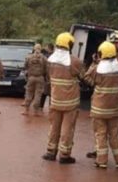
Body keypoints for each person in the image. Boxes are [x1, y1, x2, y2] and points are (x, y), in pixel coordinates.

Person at [87, 31, 118, 160]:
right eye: (112, 42)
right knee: (100, 128)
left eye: (117, 42)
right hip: (104, 100)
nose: (115, 45)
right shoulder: (104, 56)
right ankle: (99, 151)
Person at [42, 32, 84, 164]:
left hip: (55, 100)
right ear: (69, 45)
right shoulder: (74, 61)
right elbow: (82, 76)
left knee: (54, 126)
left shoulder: (50, 61)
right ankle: (64, 155)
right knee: (67, 128)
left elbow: (47, 77)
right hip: (70, 102)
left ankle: (50, 152)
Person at [84, 41, 118, 168]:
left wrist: (94, 62)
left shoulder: (98, 69)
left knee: (100, 134)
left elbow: (86, 77)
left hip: (99, 109)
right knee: (115, 134)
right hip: (115, 109)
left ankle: (101, 161)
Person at [21, 44, 47, 116]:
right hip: (40, 77)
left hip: (31, 77)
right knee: (38, 94)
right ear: (41, 49)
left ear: (34, 49)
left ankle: (26, 110)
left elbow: (25, 66)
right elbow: (47, 69)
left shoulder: (29, 57)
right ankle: (36, 111)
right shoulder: (44, 58)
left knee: (29, 93)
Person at [39, 43, 54, 109]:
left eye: (46, 47)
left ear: (49, 47)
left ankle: (41, 106)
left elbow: (45, 67)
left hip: (48, 77)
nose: (46, 48)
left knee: (45, 92)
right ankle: (50, 107)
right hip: (51, 77)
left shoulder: (49, 56)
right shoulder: (53, 55)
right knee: (50, 93)